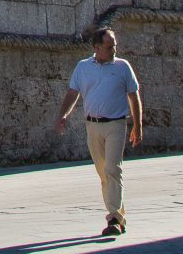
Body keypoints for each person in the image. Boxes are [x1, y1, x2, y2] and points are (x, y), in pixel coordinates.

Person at [54, 27, 143, 236]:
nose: (114, 49)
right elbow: (72, 93)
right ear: (96, 47)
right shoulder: (83, 67)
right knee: (104, 172)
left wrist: (138, 125)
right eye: (109, 46)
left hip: (116, 124)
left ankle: (113, 217)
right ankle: (119, 215)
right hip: (92, 125)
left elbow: (133, 96)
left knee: (113, 168)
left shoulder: (123, 67)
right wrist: (63, 115)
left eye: (114, 46)